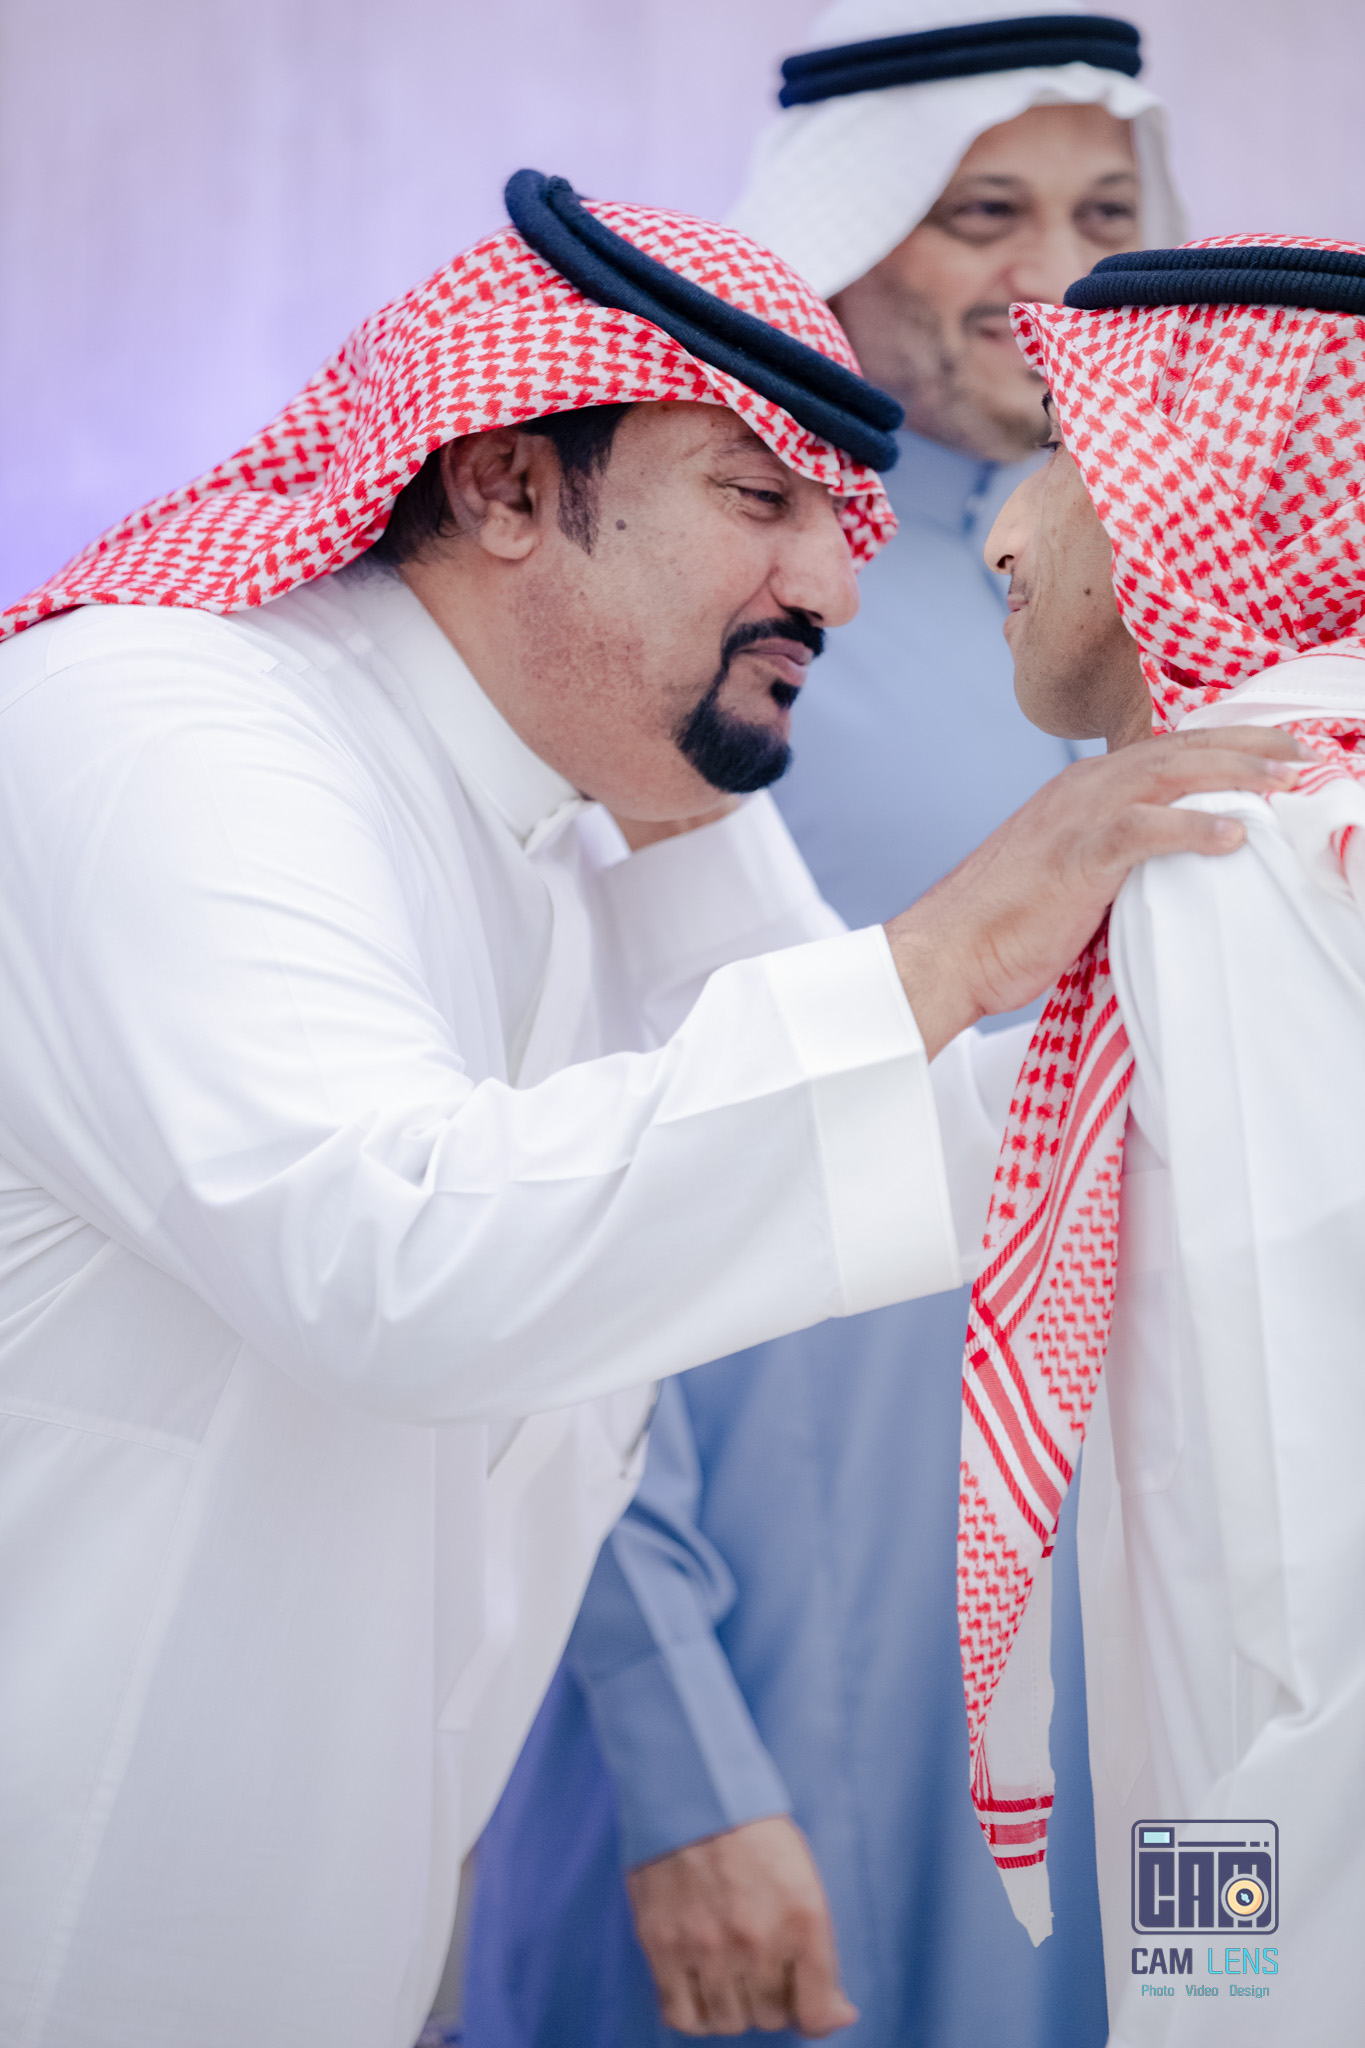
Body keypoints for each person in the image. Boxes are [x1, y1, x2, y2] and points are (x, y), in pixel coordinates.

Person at [0, 169, 1291, 2048]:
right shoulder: (164, 731)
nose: (838, 587)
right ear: (504, 485)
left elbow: (875, 1123)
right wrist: (954, 941)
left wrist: (1235, 1025)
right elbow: (397, 1259)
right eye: (760, 502)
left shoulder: (590, 794)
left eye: (844, 517)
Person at [461, 7, 1184, 2045]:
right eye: (984, 213)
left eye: (1103, 215)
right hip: (780, 1619)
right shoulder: (705, 640)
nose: (1053, 275)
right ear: (842, 239)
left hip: (1112, 1597)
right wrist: (681, 1756)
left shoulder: (1176, 619)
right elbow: (552, 1217)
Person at [962, 234, 1365, 2043]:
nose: (1001, 534)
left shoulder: (1240, 852)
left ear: (1203, 480)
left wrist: (1222, 1995)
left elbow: (1282, 1566)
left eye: (1060, 448)